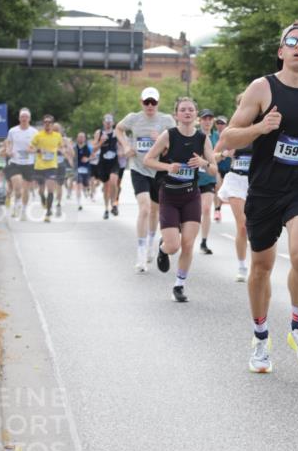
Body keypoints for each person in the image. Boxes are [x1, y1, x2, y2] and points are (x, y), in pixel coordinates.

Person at [218, 21, 298, 373]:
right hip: (265, 190)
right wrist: (260, 128)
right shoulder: (262, 88)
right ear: (281, 51)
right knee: (261, 268)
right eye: (292, 41)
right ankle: (260, 338)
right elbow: (228, 137)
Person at [144, 97, 217, 302]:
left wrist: (203, 163)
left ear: (196, 115)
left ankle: (179, 285)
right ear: (176, 115)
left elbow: (213, 170)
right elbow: (148, 160)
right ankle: (163, 249)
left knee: (187, 244)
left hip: (191, 195)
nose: (187, 112)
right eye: (183, 110)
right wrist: (168, 167)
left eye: (191, 110)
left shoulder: (203, 139)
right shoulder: (168, 135)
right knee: (173, 246)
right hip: (169, 195)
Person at [115, 87, 176, 273]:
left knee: (155, 211)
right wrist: (126, 146)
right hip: (138, 168)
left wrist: (162, 140)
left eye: (153, 102)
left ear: (158, 103)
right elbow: (119, 129)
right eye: (146, 102)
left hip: (157, 170)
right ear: (141, 102)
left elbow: (176, 143)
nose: (150, 105)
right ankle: (140, 254)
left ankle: (150, 243)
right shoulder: (133, 118)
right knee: (145, 208)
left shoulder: (166, 120)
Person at [215, 94, 252, 282]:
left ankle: (260, 264)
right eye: (241, 105)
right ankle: (242, 266)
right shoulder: (231, 131)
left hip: (258, 182)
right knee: (243, 225)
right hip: (236, 180)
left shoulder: (262, 128)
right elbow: (212, 156)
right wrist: (225, 154)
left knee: (259, 228)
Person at [5, 108, 37, 220]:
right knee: (17, 187)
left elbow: (38, 148)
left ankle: (23, 211)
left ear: (29, 118)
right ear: (19, 118)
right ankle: (17, 203)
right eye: (22, 116)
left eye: (26, 117)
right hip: (15, 162)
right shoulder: (12, 131)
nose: (24, 118)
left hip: (28, 164)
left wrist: (32, 150)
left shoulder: (34, 132)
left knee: (26, 190)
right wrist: (8, 151)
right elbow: (9, 144)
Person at [29, 115, 63, 222]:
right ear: (43, 124)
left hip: (52, 166)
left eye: (49, 122)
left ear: (52, 124)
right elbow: (29, 148)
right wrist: (38, 150)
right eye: (45, 122)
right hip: (39, 166)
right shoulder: (38, 135)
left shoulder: (57, 136)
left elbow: (61, 147)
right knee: (40, 191)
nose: (47, 124)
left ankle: (48, 212)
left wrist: (60, 150)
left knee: (50, 189)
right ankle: (43, 199)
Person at [197, 110, 217, 253]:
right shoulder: (194, 135)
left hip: (209, 178)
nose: (207, 121)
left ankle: (204, 242)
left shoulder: (217, 137)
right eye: (205, 119)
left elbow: (218, 158)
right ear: (200, 120)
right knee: (191, 211)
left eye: (210, 119)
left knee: (206, 209)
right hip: (193, 177)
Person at [92, 114, 120, 219]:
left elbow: (123, 143)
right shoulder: (98, 133)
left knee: (113, 181)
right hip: (103, 163)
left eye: (110, 122)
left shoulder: (117, 132)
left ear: (113, 123)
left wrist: (123, 151)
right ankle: (106, 209)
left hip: (114, 162)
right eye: (106, 122)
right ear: (103, 122)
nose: (108, 123)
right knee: (106, 187)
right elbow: (94, 149)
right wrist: (100, 142)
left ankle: (114, 204)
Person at [213, 116, 230, 220]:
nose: (220, 125)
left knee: (223, 188)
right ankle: (217, 210)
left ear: (226, 124)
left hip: (228, 166)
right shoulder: (214, 136)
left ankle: (219, 208)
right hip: (217, 165)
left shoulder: (230, 135)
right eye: (218, 123)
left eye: (222, 123)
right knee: (217, 187)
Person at [74, 132, 91, 210]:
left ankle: (86, 190)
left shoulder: (88, 147)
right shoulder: (74, 148)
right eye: (79, 137)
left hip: (86, 170)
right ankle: (79, 203)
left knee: (86, 185)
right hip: (77, 170)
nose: (81, 138)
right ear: (77, 138)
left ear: (84, 138)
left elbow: (93, 156)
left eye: (82, 137)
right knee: (78, 185)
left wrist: (88, 159)